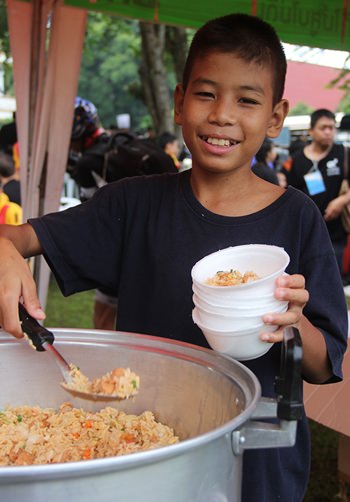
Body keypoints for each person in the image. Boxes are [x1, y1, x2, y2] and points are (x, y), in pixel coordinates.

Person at [0, 13, 347, 502]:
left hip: (257, 459)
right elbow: (18, 237)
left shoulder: (298, 219)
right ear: (181, 102)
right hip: (145, 454)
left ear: (274, 116)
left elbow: (322, 362)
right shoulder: (133, 204)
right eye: (206, 94)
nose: (223, 114)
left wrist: (294, 323)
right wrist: (5, 249)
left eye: (246, 100)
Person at [286, 109, 350, 276]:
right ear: (311, 131)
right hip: (306, 232)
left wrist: (341, 201)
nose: (329, 132)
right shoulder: (297, 160)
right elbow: (290, 195)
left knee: (334, 276)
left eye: (332, 127)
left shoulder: (343, 153)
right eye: (323, 127)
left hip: (336, 233)